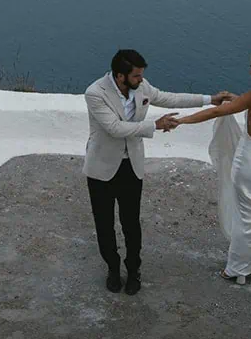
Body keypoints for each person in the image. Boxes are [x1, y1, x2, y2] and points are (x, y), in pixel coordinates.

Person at [83, 48, 233, 294]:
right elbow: (114, 128)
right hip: (101, 168)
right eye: (136, 76)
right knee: (104, 224)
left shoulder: (141, 87)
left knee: (131, 223)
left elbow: (169, 98)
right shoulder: (95, 93)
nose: (141, 80)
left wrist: (209, 99)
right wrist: (155, 124)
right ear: (120, 76)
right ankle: (112, 268)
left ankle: (133, 270)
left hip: (131, 166)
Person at [167, 46, 251, 283]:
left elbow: (216, 112)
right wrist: (238, 100)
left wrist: (182, 120)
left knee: (245, 217)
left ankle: (236, 269)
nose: (250, 71)